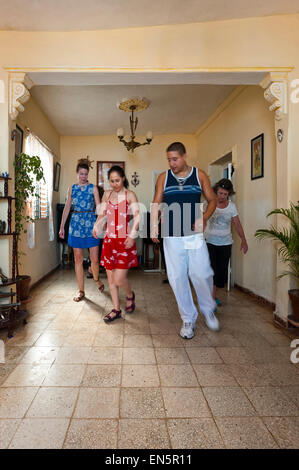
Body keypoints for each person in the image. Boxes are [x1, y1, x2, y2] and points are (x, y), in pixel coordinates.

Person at [151, 142, 219, 339]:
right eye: (169, 159)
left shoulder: (200, 175)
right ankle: (188, 319)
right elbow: (156, 202)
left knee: (201, 273)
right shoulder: (164, 178)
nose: (172, 163)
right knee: (177, 277)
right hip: (172, 234)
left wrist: (204, 217)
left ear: (184, 156)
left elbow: (212, 200)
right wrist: (154, 226)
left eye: (175, 159)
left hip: (194, 234)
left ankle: (208, 309)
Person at [92, 165, 139, 322]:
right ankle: (116, 309)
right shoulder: (107, 195)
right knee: (111, 279)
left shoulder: (130, 195)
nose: (114, 184)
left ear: (123, 179)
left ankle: (130, 294)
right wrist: (96, 225)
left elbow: (138, 217)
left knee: (119, 279)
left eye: (117, 180)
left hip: (125, 241)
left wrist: (132, 235)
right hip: (109, 241)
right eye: (111, 181)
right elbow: (102, 214)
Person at [59, 158, 104, 302]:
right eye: (81, 174)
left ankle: (96, 279)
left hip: (91, 223)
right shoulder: (72, 188)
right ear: (77, 173)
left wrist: (99, 224)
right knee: (78, 259)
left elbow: (99, 208)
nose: (83, 176)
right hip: (76, 224)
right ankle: (81, 291)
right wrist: (61, 227)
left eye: (86, 174)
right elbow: (67, 208)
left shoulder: (93, 188)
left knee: (94, 259)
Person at [205, 178, 248, 307]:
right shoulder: (208, 203)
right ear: (216, 191)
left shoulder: (232, 207)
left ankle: (212, 296)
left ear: (229, 194)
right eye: (220, 193)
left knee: (221, 273)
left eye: (225, 194)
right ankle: (211, 300)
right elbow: (200, 219)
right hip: (209, 242)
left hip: (225, 243)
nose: (222, 196)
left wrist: (244, 240)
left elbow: (237, 224)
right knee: (211, 270)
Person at [86, 185, 105, 278]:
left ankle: (93, 268)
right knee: (95, 248)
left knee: (94, 249)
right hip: (94, 228)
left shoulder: (100, 203)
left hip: (98, 228)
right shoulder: (93, 202)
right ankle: (94, 267)